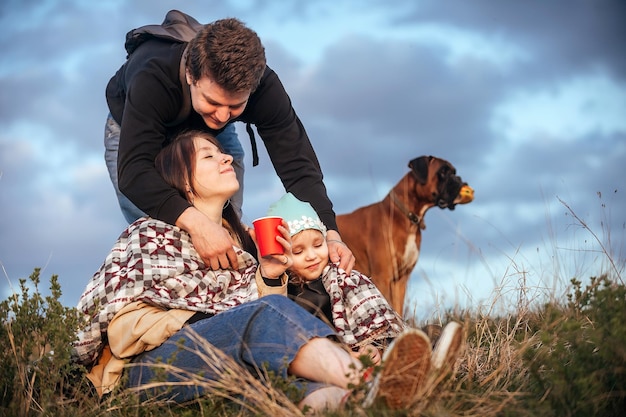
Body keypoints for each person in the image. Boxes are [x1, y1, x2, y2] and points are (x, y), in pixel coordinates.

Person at [74, 130, 434, 412]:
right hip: (149, 372)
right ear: (183, 181)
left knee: (285, 385)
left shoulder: (243, 253)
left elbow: (258, 326)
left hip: (219, 367)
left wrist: (271, 275)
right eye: (209, 155)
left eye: (222, 151)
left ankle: (362, 404)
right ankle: (371, 380)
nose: (226, 156)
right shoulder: (150, 234)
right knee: (267, 315)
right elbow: (107, 321)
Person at [104, 12, 354, 274]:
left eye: (235, 106)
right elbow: (134, 172)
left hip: (210, 136)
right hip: (137, 129)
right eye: (213, 102)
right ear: (191, 74)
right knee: (159, 230)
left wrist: (329, 232)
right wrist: (198, 223)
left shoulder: (264, 87)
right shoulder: (153, 76)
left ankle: (233, 292)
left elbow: (298, 167)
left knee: (226, 226)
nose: (222, 115)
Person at [266, 193, 464, 385]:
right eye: (298, 251)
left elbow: (368, 320)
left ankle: (420, 358)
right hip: (333, 362)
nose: (312, 256)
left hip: (363, 351)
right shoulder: (288, 294)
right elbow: (306, 339)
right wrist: (349, 353)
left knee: (429, 333)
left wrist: (372, 346)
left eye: (318, 245)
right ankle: (405, 372)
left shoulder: (343, 280)